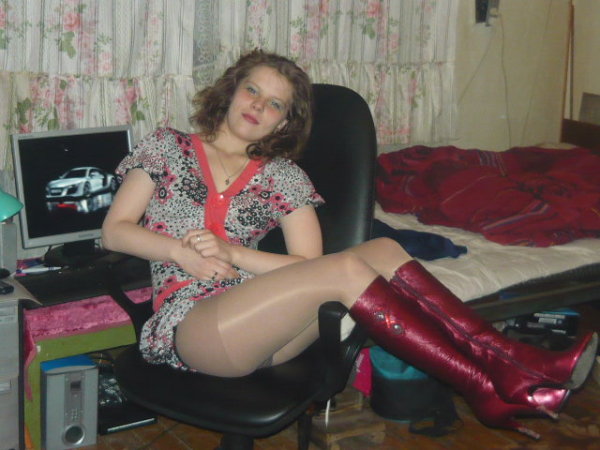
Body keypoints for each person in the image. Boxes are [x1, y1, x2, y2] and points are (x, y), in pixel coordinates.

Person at [102, 49, 597, 439]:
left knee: (381, 252)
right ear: (230, 92)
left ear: (284, 122)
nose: (258, 106)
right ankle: (491, 377)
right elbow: (115, 230)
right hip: (194, 328)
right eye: (252, 90)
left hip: (268, 329)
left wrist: (233, 254)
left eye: (274, 104)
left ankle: (499, 366)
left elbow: (306, 266)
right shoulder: (167, 147)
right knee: (347, 268)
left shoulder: (284, 177)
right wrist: (179, 252)